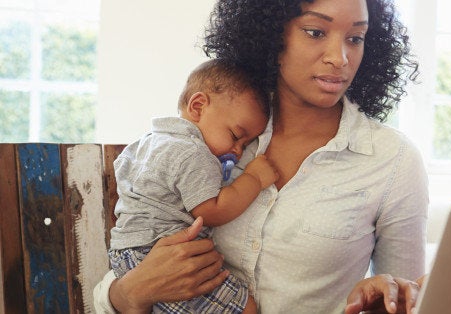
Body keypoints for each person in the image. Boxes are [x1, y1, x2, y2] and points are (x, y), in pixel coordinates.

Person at [94, 0, 429, 313]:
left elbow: (407, 297)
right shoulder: (215, 132)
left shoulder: (393, 160)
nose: (340, 58)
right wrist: (131, 292)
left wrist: (390, 296)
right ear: (271, 34)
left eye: (356, 38)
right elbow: (134, 250)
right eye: (315, 32)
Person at [107, 59, 278, 314]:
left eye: (246, 144)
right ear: (198, 106)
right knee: (245, 308)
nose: (238, 151)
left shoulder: (149, 141)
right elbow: (212, 211)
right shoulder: (193, 153)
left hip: (127, 254)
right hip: (157, 253)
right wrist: (253, 179)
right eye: (235, 136)